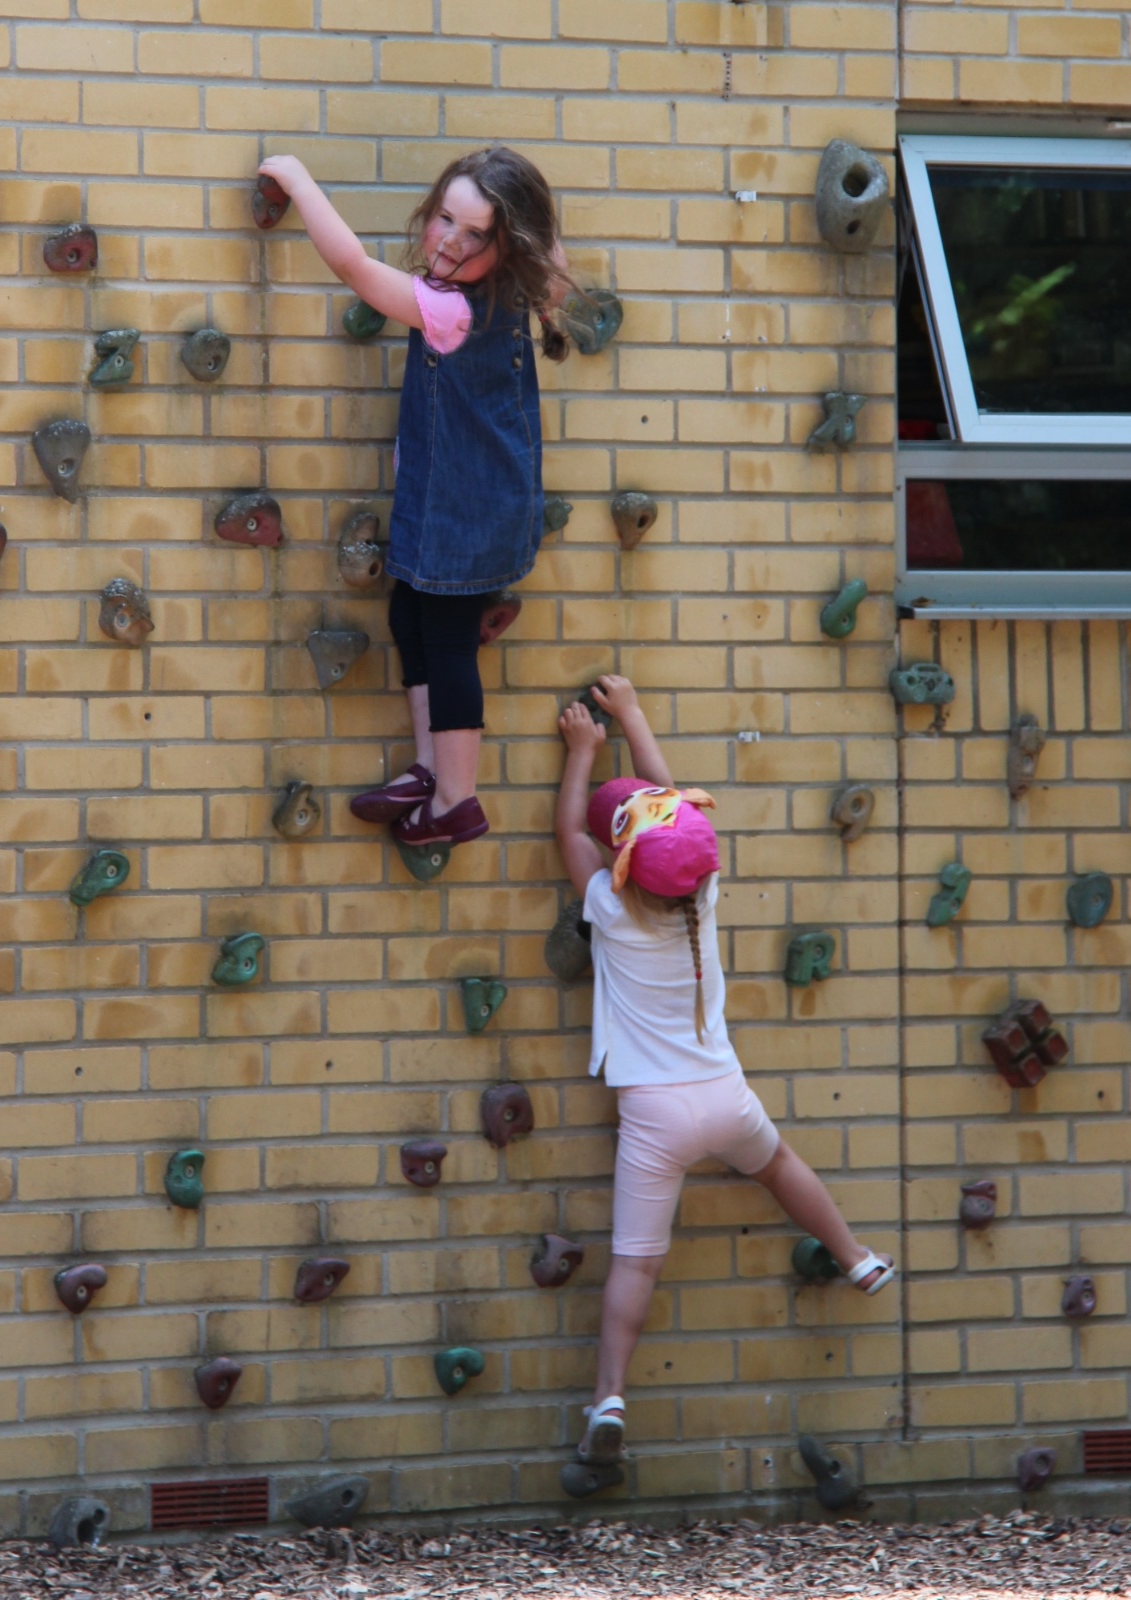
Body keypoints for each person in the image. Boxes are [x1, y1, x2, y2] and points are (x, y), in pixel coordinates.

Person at [554, 675, 896, 1472]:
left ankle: (609, 1398)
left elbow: (568, 828)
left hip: (654, 1114)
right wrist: (633, 713)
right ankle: (855, 1257)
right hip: (723, 1095)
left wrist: (582, 751)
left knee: (637, 1261)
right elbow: (673, 802)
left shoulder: (607, 906)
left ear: (619, 862)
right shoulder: (702, 893)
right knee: (777, 1167)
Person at [259, 146, 569, 847]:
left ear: (506, 246)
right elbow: (550, 262)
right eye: (444, 218)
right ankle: (432, 767)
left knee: (448, 642)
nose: (450, 241)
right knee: (410, 613)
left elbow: (353, 267)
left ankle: (456, 799)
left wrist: (301, 183)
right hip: (476, 500)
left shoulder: (447, 309)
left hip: (463, 508)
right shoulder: (517, 289)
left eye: (475, 233)